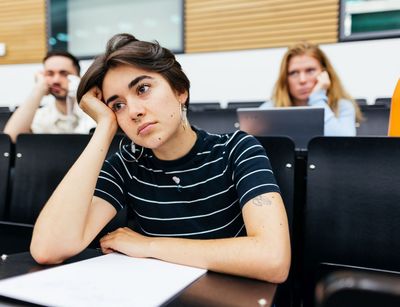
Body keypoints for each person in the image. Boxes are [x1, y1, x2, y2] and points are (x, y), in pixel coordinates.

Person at [30, 33, 291, 283]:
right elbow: (48, 249)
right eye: (117, 105)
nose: (133, 111)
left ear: (180, 90)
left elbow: (273, 259)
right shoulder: (127, 165)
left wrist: (149, 245)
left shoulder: (237, 149)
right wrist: (104, 128)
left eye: (143, 89)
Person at [260, 41, 362, 136]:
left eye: (310, 70)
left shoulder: (343, 107)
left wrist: (317, 98)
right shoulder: (269, 109)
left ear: (325, 73)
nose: (302, 80)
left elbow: (344, 144)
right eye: (294, 73)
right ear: (285, 79)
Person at [3, 51, 95, 142]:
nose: (56, 80)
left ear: (78, 77)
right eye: (50, 74)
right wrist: (39, 88)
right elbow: (11, 139)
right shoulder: (41, 116)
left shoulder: (94, 113)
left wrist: (82, 89)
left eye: (64, 73)